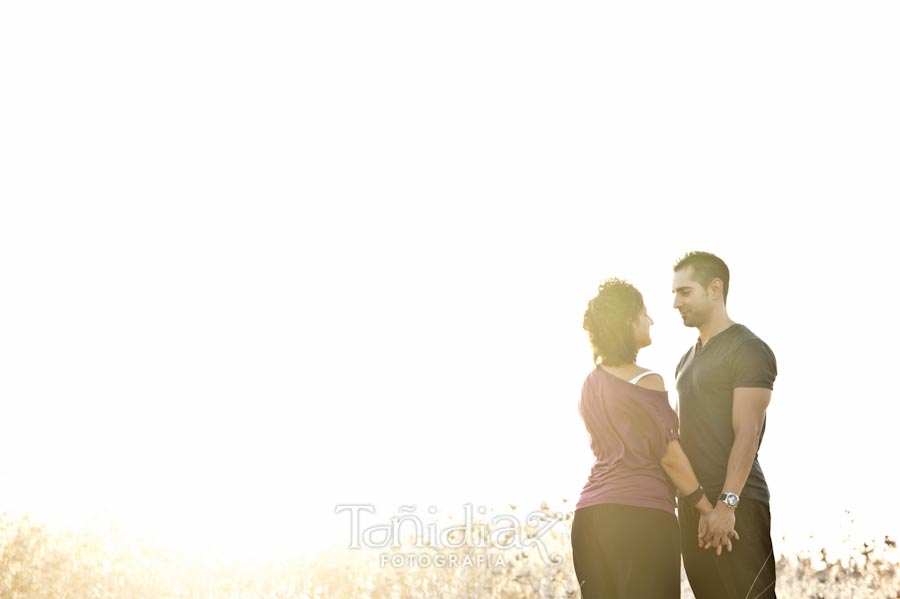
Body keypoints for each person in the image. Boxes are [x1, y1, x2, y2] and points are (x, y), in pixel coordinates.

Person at [572, 278, 737, 599]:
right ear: (628, 323)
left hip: (589, 517)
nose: (651, 320)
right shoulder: (647, 381)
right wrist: (707, 509)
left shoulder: (591, 382)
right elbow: (669, 456)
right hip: (640, 518)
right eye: (644, 314)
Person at [672, 251, 778, 599]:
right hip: (695, 507)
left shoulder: (747, 348)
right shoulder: (686, 361)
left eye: (684, 292)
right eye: (674, 293)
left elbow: (747, 433)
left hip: (738, 505)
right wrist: (699, 505)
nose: (676, 302)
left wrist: (726, 506)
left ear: (714, 289)